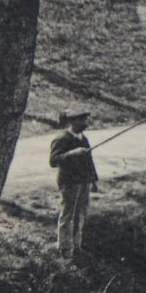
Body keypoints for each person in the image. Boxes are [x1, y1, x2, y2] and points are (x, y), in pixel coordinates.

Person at [49, 109, 100, 260]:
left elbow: (89, 161)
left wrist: (93, 180)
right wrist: (72, 153)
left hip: (83, 182)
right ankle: (64, 247)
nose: (85, 123)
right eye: (82, 120)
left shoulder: (83, 138)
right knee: (68, 214)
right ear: (72, 121)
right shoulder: (62, 138)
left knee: (80, 214)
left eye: (86, 119)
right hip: (69, 182)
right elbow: (53, 161)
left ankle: (76, 246)